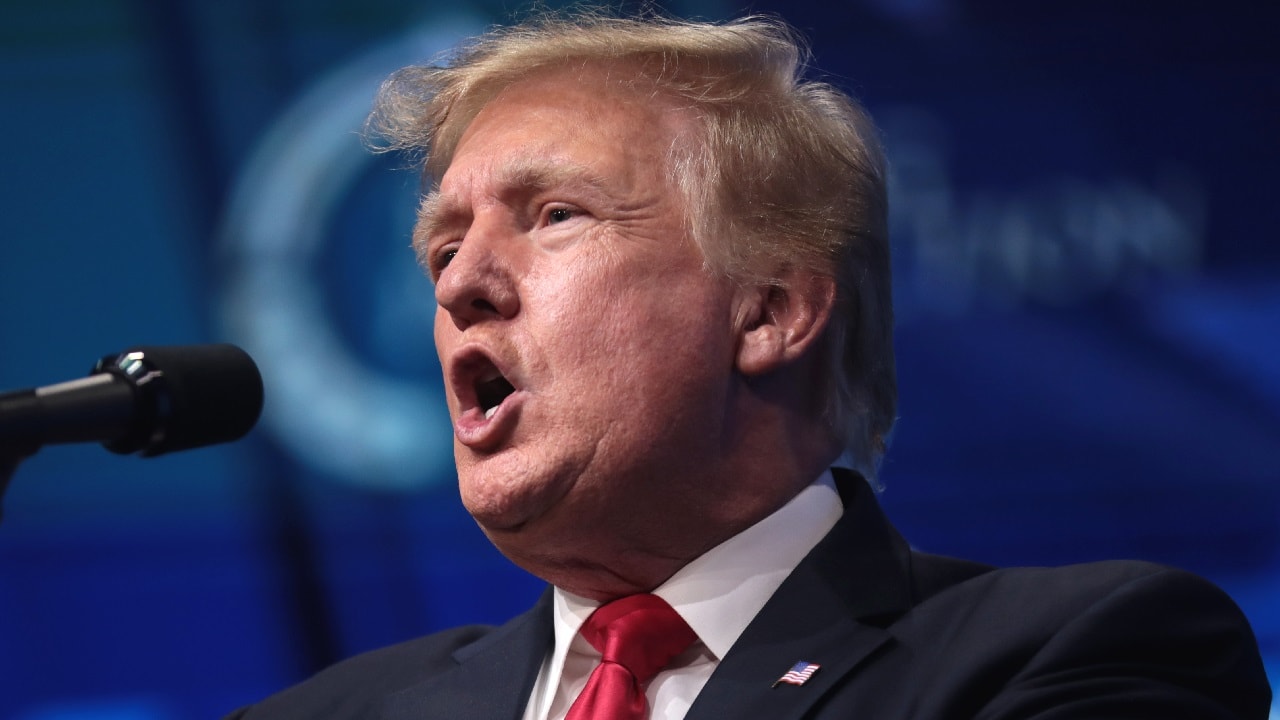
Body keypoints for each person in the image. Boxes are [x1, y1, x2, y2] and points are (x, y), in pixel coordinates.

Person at [228, 12, 1271, 719]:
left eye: (553, 216)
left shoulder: (1062, 654)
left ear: (768, 311)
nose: (460, 287)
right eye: (443, 248)